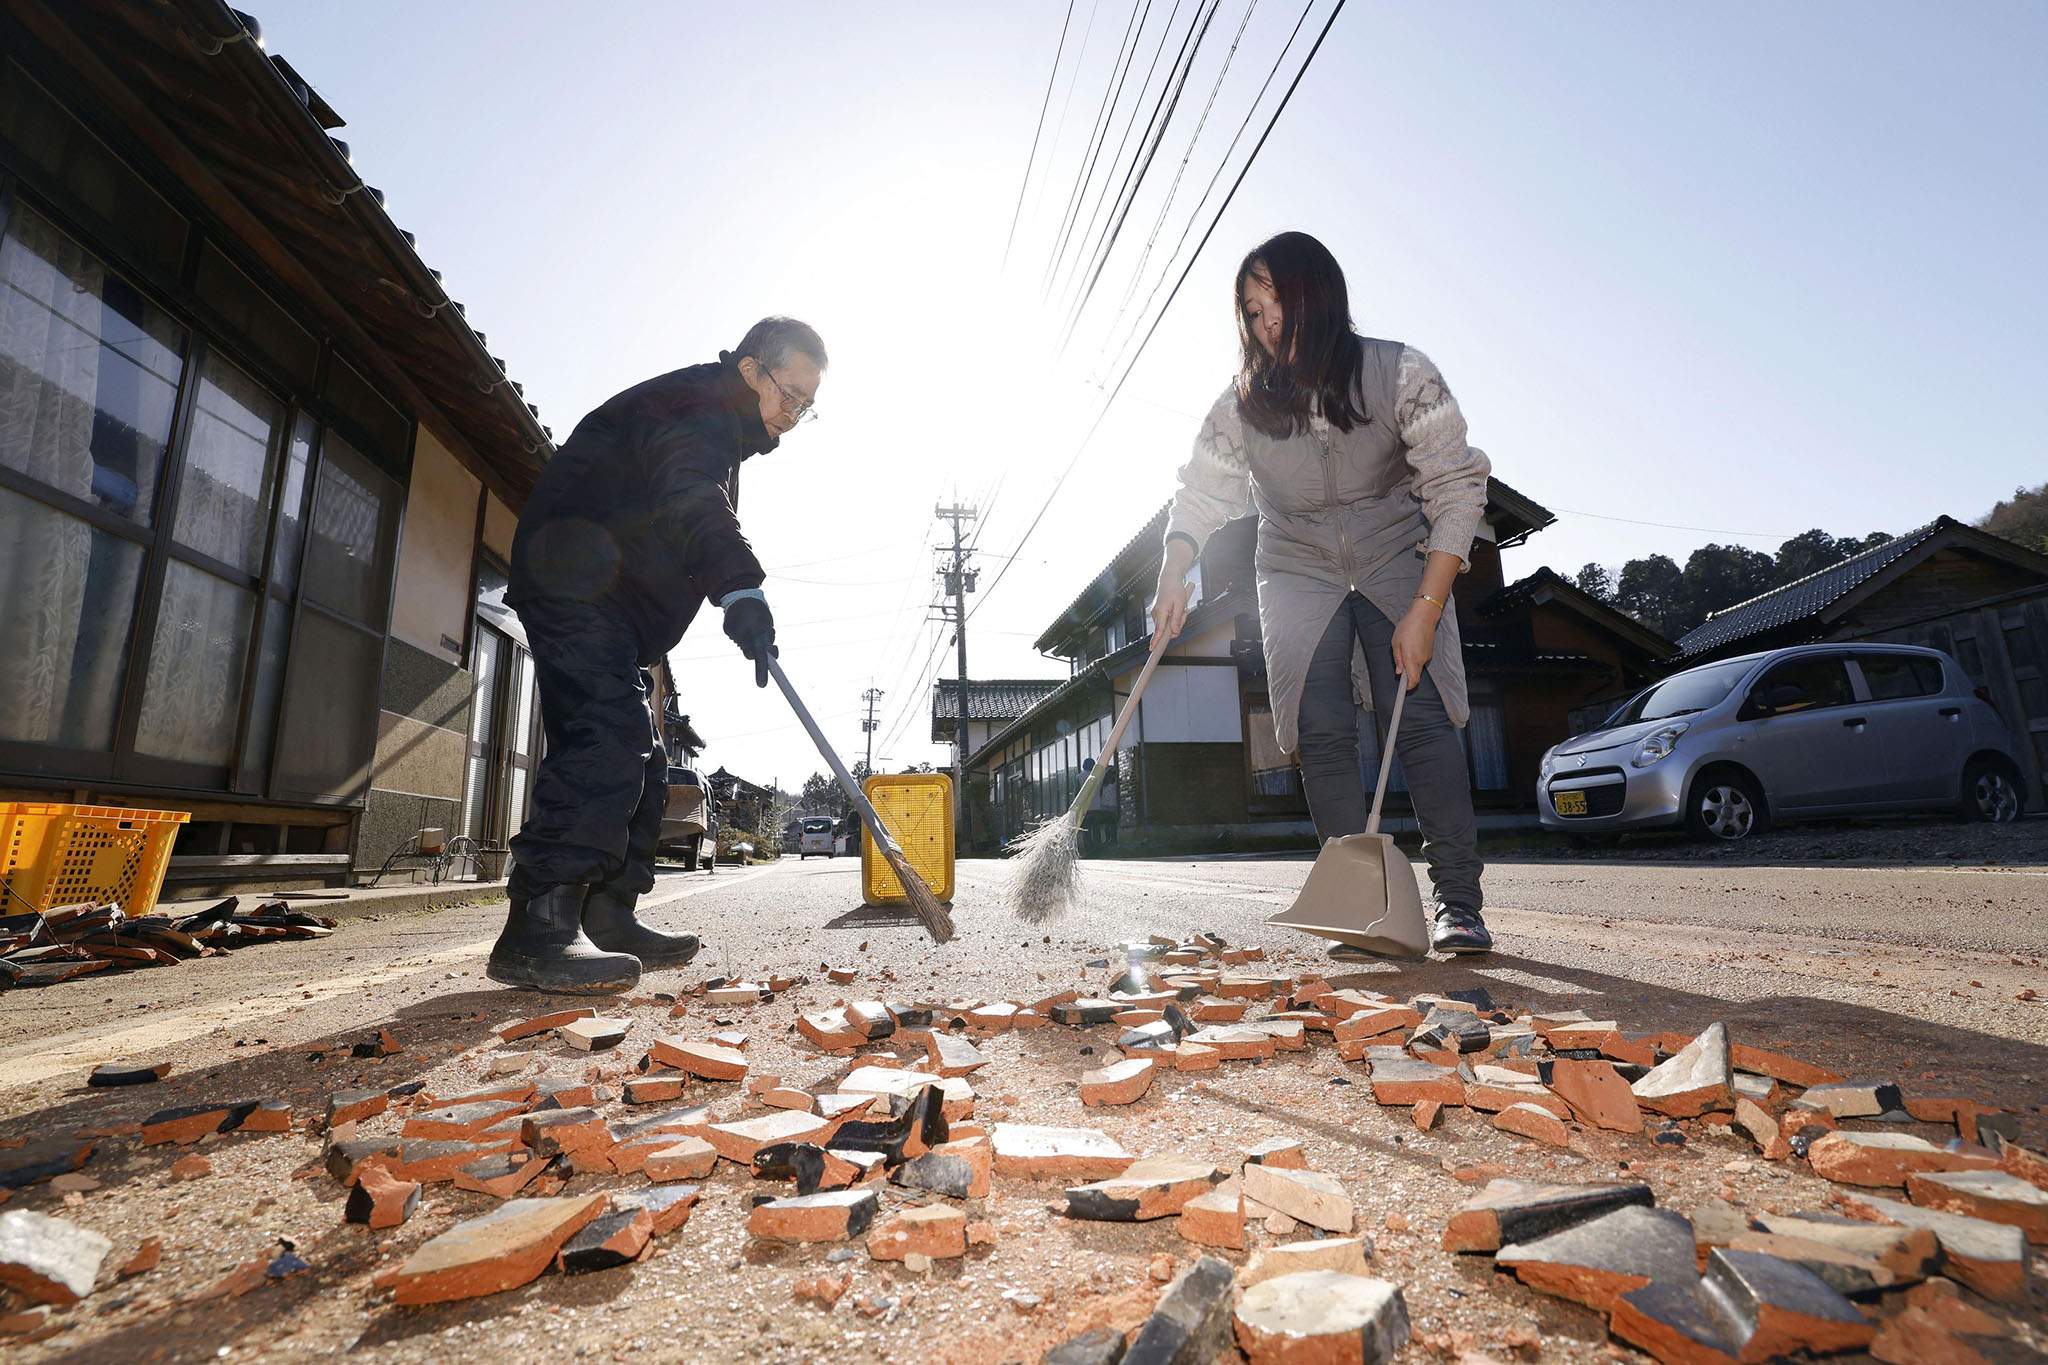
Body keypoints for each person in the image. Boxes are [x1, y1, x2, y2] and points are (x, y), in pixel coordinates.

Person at [1151, 232, 1494, 955]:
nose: (1266, 325)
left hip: (1398, 546)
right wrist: (1172, 571)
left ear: (1320, 295)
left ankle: (1458, 901)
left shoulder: (1398, 372)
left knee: (1423, 716)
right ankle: (1359, 905)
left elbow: (1456, 485)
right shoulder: (1241, 406)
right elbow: (1199, 496)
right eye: (1252, 311)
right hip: (1295, 562)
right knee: (1322, 725)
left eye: (1278, 304)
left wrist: (1426, 607)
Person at [494, 317, 825, 993]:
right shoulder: (698, 408)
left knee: (643, 758)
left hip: (606, 603)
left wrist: (728, 591)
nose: (792, 414)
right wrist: (739, 587)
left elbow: (682, 510)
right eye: (789, 394)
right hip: (574, 585)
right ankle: (537, 927)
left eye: (805, 406)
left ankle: (608, 912)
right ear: (751, 370)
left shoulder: (720, 426)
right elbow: (689, 499)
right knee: (605, 736)